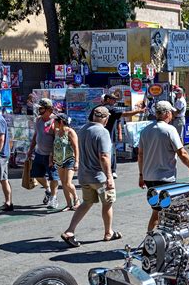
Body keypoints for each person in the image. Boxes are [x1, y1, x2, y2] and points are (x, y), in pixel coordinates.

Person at [61, 106, 120, 247]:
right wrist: (109, 177)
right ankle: (108, 232)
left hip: (84, 176)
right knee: (107, 203)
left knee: (87, 202)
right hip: (99, 178)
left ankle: (70, 231)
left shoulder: (83, 130)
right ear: (106, 119)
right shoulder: (102, 132)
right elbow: (104, 156)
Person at [138, 101, 189, 231]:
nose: (173, 116)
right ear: (167, 113)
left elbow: (140, 155)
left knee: (157, 210)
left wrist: (141, 175)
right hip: (165, 178)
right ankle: (161, 241)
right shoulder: (170, 130)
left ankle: (151, 239)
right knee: (167, 211)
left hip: (149, 177)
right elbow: (182, 152)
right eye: (172, 113)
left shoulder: (145, 131)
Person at [89, 92, 145, 179]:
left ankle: (102, 172)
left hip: (95, 136)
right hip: (107, 137)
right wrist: (139, 111)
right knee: (108, 155)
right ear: (107, 99)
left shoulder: (96, 109)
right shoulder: (111, 109)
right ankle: (108, 173)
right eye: (114, 99)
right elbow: (125, 114)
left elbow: (90, 121)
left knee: (98, 155)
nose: (115, 102)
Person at [27, 98, 60, 209]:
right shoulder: (38, 120)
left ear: (49, 109)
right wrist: (30, 149)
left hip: (51, 155)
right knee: (36, 175)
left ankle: (53, 198)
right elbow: (36, 135)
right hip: (39, 153)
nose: (39, 110)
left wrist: (53, 155)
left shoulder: (55, 121)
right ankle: (48, 190)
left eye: (41, 108)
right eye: (39, 108)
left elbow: (57, 140)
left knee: (53, 178)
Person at [52, 113, 80, 211]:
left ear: (61, 122)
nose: (53, 123)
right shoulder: (57, 132)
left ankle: (76, 198)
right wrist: (53, 158)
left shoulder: (70, 132)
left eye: (55, 121)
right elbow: (55, 146)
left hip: (69, 159)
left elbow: (76, 147)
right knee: (63, 183)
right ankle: (69, 204)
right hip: (59, 160)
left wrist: (77, 161)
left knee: (68, 183)